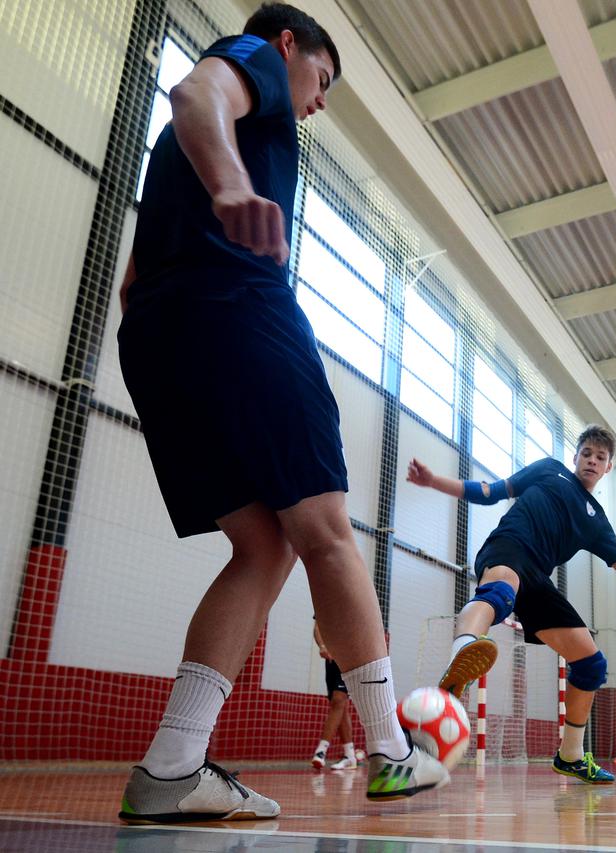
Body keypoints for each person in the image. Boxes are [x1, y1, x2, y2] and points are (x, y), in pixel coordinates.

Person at [115, 4, 446, 823]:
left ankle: (171, 767)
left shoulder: (211, 148)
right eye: (323, 79)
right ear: (289, 46)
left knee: (262, 546)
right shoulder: (256, 57)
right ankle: (392, 752)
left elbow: (132, 279)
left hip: (155, 336)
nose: (320, 101)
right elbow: (193, 94)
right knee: (326, 527)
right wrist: (232, 188)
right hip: (239, 308)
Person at [407, 425, 616, 784]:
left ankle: (571, 756)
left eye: (600, 457)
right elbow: (490, 491)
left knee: (592, 665)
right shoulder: (549, 468)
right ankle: (462, 656)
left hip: (538, 577)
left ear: (609, 466)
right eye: (587, 454)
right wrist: (433, 481)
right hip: (508, 546)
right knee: (501, 590)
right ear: (575, 457)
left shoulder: (597, 522)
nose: (592, 461)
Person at [311, 620, 365, 770]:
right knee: (341, 706)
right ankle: (349, 756)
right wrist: (322, 646)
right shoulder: (329, 599)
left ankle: (321, 751)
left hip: (350, 658)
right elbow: (318, 626)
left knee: (338, 700)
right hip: (331, 659)